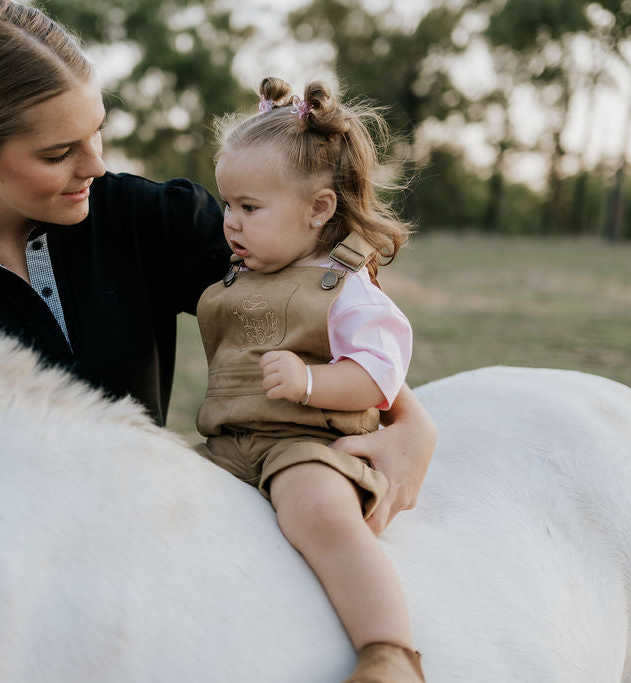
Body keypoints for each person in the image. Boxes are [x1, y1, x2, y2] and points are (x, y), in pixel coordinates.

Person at [0, 0, 434, 536]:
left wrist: (411, 422)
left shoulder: (152, 218)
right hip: (0, 560)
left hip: (147, 546)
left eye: (96, 131)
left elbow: (307, 296)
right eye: (59, 153)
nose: (96, 165)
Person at [194, 77, 424, 682]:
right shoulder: (240, 277)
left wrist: (310, 382)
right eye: (227, 205)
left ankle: (389, 652)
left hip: (306, 444)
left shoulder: (345, 286)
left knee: (319, 513)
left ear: (318, 208)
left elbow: (378, 375)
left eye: (249, 208)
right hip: (229, 443)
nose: (230, 223)